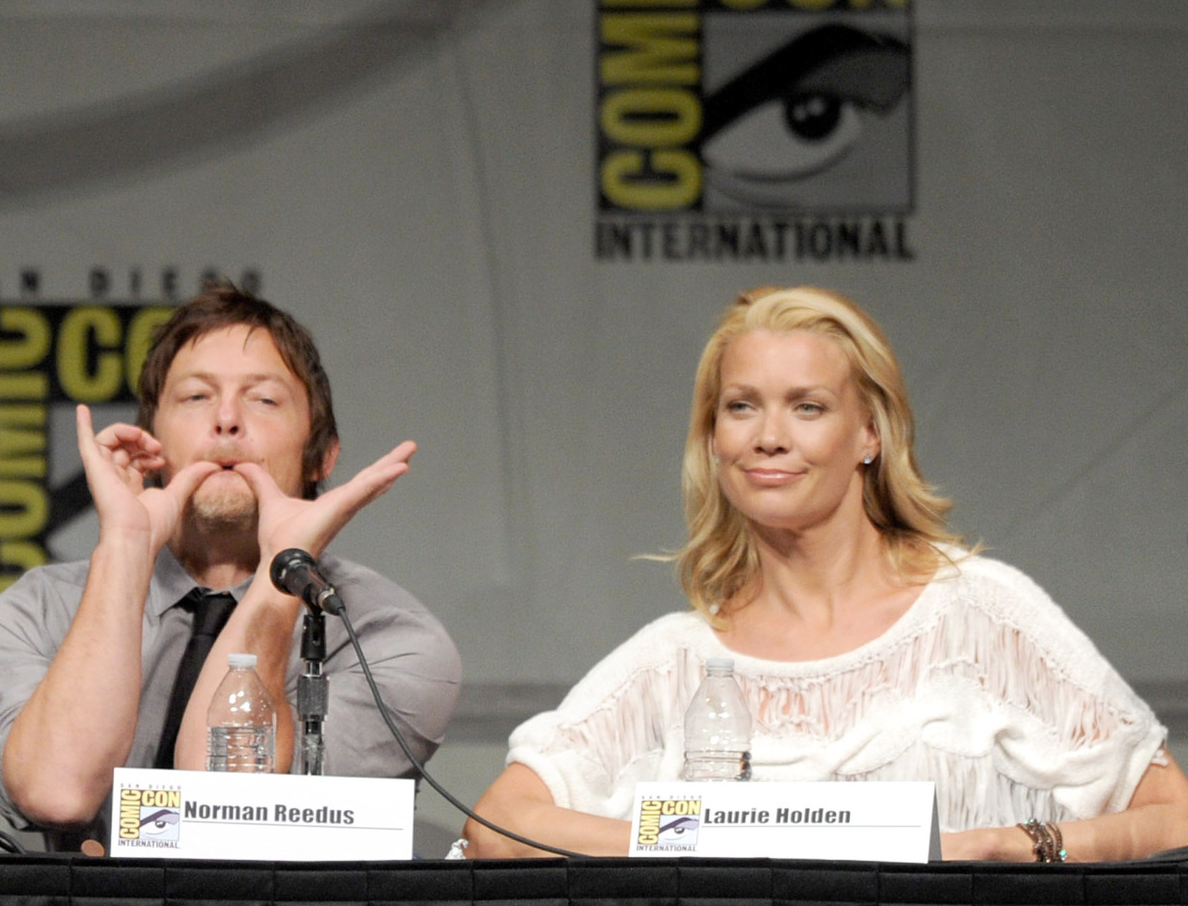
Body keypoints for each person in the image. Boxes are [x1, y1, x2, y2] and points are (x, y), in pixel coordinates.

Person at [464, 285, 1188, 861]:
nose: (769, 437)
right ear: (713, 439)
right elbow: (500, 824)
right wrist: (699, 841)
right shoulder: (676, 663)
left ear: (870, 434)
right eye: (740, 406)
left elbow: (1173, 816)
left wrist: (1020, 844)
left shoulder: (983, 618)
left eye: (807, 407)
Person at [0, 283, 462, 849]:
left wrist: (282, 571)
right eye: (196, 397)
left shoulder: (387, 638)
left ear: (320, 455)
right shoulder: (37, 612)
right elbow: (58, 792)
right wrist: (125, 546)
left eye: (264, 400)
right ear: (150, 446)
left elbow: (221, 811)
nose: (226, 419)